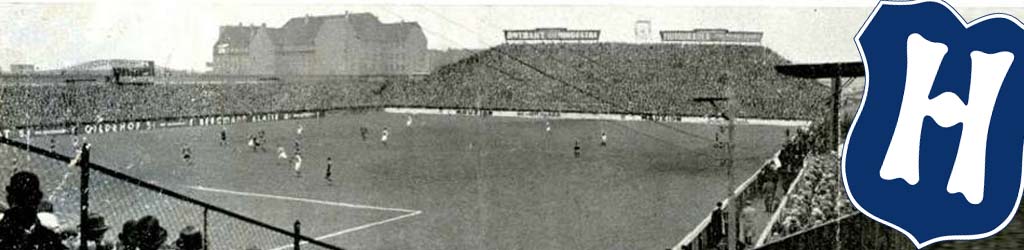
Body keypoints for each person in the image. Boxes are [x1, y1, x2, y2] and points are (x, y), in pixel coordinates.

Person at [0, 171, 68, 250]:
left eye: (27, 198)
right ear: (38, 199)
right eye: (21, 199)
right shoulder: (48, 240)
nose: (24, 205)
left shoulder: (48, 239)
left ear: (10, 199)